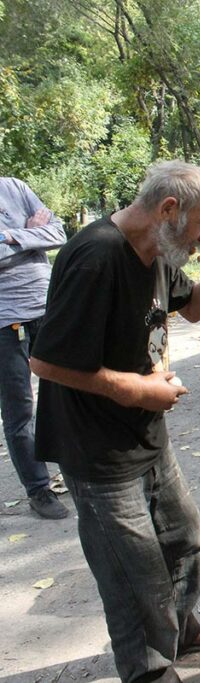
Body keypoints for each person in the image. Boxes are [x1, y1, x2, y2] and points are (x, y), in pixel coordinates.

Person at [30, 161, 200, 683]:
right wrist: (137, 389)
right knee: (134, 576)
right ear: (170, 210)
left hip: (146, 437)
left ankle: (182, 631)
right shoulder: (96, 255)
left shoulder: (159, 250)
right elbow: (46, 361)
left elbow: (188, 310)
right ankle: (148, 670)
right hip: (97, 449)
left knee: (183, 537)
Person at [0, 177, 70, 520]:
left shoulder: (14, 187)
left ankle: (75, 471)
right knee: (19, 409)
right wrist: (28, 235)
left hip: (46, 307)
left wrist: (9, 236)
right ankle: (38, 490)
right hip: (4, 321)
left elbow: (59, 234)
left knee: (69, 391)